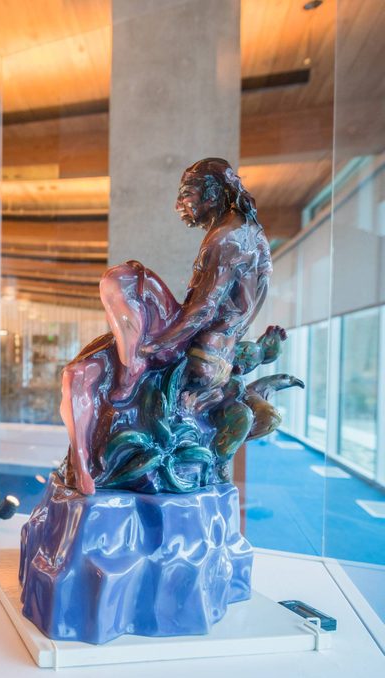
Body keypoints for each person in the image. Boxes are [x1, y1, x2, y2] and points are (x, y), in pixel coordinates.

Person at [59, 158, 271, 494]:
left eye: (187, 194)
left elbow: (202, 310)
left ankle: (131, 370)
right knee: (82, 369)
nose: (179, 205)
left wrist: (154, 346)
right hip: (218, 354)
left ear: (213, 193)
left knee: (123, 278)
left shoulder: (228, 239)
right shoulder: (249, 234)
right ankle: (86, 458)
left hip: (198, 350)